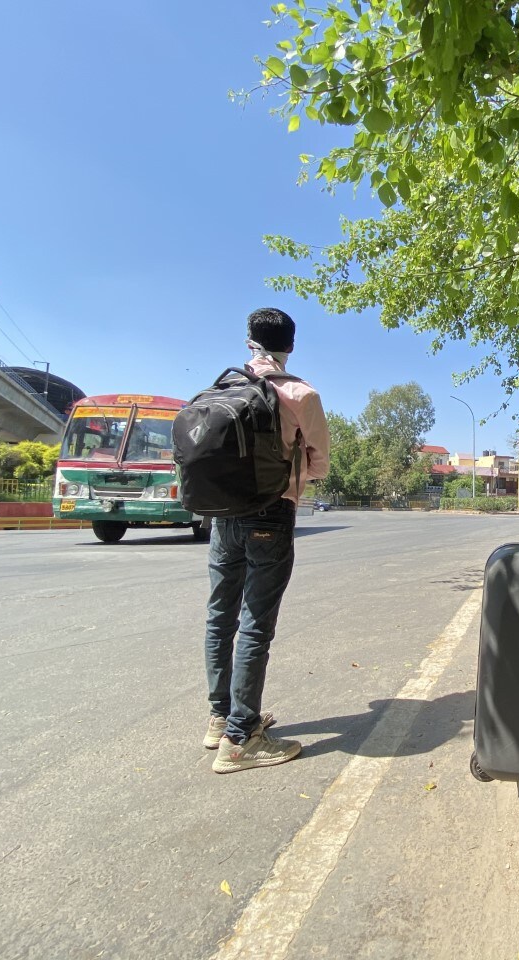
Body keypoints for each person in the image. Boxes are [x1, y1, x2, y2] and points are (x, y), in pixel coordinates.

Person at [203, 307, 331, 774]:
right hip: (270, 514)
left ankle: (221, 718)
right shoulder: (300, 393)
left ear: (248, 342)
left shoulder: (221, 387)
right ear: (291, 346)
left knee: (221, 615)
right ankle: (241, 739)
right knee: (256, 623)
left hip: (223, 515)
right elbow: (320, 464)